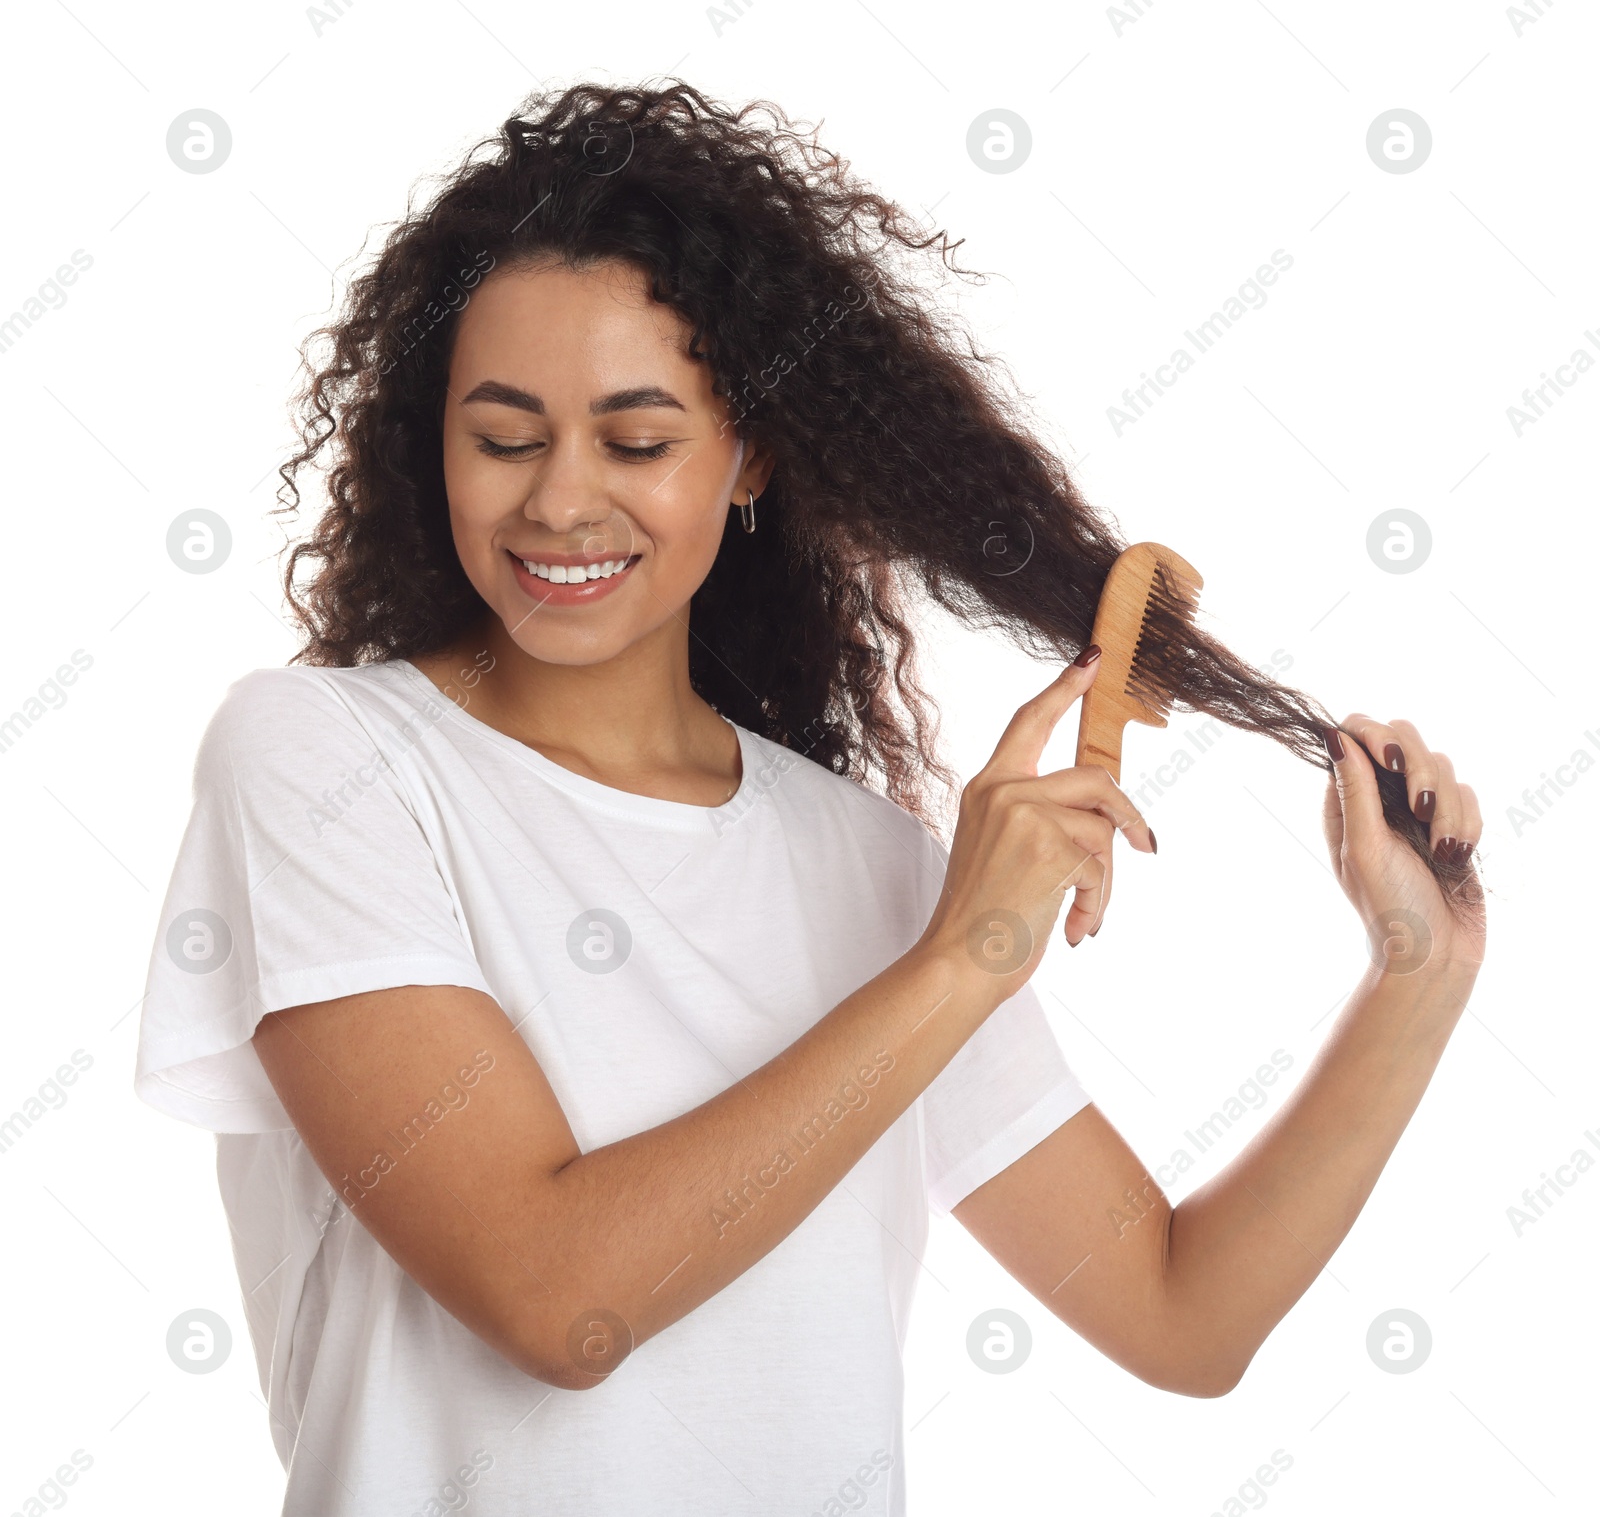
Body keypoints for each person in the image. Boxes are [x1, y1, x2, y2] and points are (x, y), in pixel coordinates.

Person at [133, 81, 1486, 1517]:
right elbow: (554, 1295)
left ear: (749, 454)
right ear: (436, 439)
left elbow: (1179, 1314)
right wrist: (964, 956)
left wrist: (1421, 972)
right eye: (505, 435)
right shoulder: (323, 758)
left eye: (639, 441)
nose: (560, 503)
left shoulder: (874, 870)